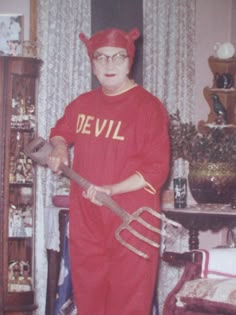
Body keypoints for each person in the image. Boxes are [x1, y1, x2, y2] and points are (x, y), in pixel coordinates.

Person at [47, 27, 170, 315]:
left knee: (128, 305)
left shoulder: (149, 108)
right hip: (87, 219)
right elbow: (60, 131)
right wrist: (60, 147)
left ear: (130, 61)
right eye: (101, 58)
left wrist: (112, 189)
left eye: (118, 57)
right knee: (89, 301)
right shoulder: (83, 104)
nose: (109, 65)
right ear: (92, 63)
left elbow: (156, 169)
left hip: (131, 220)